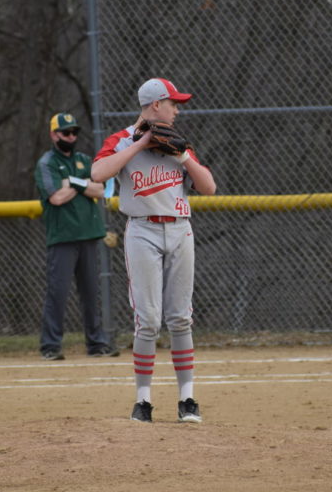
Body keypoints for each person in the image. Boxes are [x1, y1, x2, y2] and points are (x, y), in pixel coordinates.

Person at [91, 78, 217, 423]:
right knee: (147, 319)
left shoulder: (179, 144)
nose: (177, 110)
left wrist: (184, 157)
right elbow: (98, 172)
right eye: (173, 103)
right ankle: (143, 401)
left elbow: (208, 187)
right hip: (142, 231)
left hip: (179, 229)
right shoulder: (122, 141)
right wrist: (142, 141)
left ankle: (187, 399)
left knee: (180, 317)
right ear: (155, 105)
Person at [34, 112, 119, 361]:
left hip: (89, 235)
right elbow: (56, 197)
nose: (71, 137)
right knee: (58, 294)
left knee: (91, 293)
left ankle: (96, 344)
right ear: (53, 135)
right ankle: (50, 346)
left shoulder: (83, 159)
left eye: (74, 132)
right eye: (65, 132)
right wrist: (82, 185)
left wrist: (72, 183)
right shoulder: (47, 163)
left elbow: (101, 190)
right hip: (63, 237)